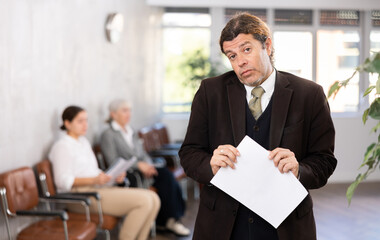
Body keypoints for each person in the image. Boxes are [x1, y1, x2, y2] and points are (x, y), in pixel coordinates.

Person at [179, 13, 337, 240]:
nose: (240, 61)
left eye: (246, 49)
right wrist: (210, 164)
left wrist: (299, 170)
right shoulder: (209, 92)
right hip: (221, 227)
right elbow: (189, 153)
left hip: (286, 228)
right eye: (232, 55)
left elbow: (325, 160)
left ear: (268, 45)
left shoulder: (309, 95)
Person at [49, 106, 160, 240]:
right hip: (82, 196)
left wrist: (111, 177)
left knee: (154, 199)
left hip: (98, 188)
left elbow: (93, 171)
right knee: (144, 201)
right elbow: (62, 181)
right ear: (67, 123)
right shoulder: (62, 146)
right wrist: (94, 180)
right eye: (80, 121)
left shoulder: (83, 142)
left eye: (86, 120)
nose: (85, 125)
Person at [100, 99, 190, 236]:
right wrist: (139, 165)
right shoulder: (108, 135)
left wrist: (148, 165)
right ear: (113, 114)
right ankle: (169, 221)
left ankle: (171, 220)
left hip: (144, 169)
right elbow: (113, 161)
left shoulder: (131, 131)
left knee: (166, 175)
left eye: (129, 110)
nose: (128, 114)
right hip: (129, 173)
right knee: (164, 180)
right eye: (124, 111)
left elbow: (143, 153)